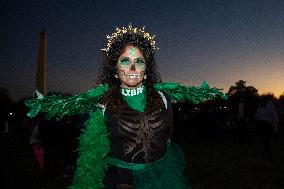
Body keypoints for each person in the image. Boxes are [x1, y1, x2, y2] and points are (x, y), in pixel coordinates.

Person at [26, 24, 226, 189]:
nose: (132, 68)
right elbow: (95, 149)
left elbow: (167, 137)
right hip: (120, 178)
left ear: (146, 69)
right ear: (115, 68)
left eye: (138, 61)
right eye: (125, 60)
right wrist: (122, 178)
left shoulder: (163, 98)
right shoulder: (102, 102)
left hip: (161, 177)